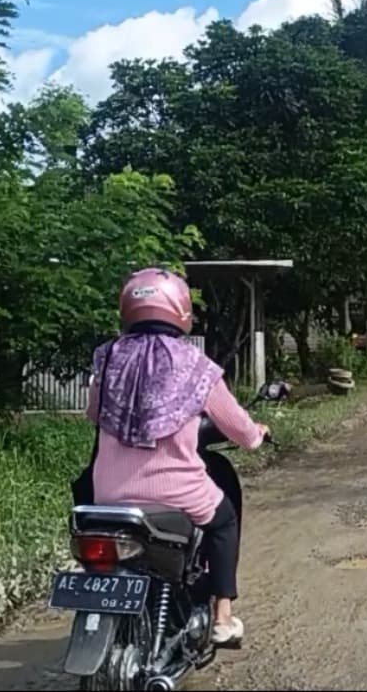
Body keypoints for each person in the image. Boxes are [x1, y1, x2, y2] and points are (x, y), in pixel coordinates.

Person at [85, 268, 267, 646]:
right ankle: (222, 616)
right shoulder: (196, 366)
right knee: (223, 519)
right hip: (177, 494)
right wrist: (258, 434)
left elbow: (93, 413)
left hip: (108, 494)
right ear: (181, 310)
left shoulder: (107, 358)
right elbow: (241, 431)